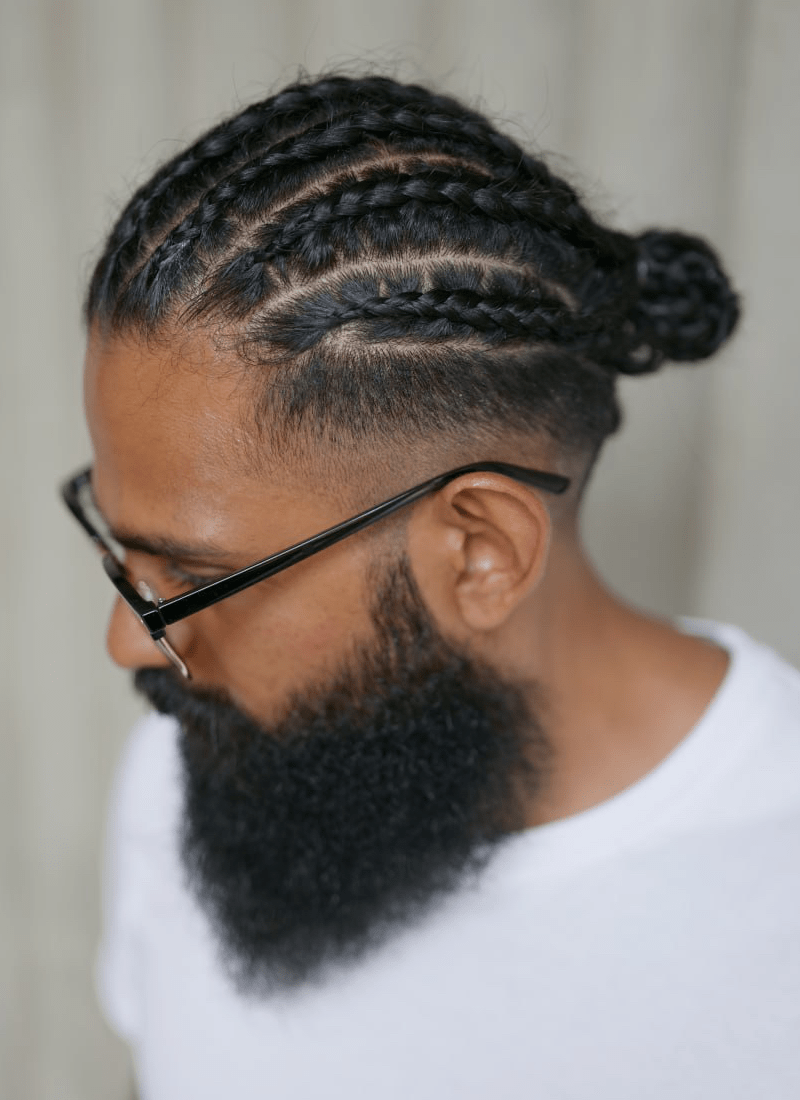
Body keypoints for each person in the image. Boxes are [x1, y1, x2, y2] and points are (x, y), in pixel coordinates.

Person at [62, 73, 800, 1099]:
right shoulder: (193, 764)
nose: (125, 640)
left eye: (192, 575)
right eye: (118, 545)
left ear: (479, 551)